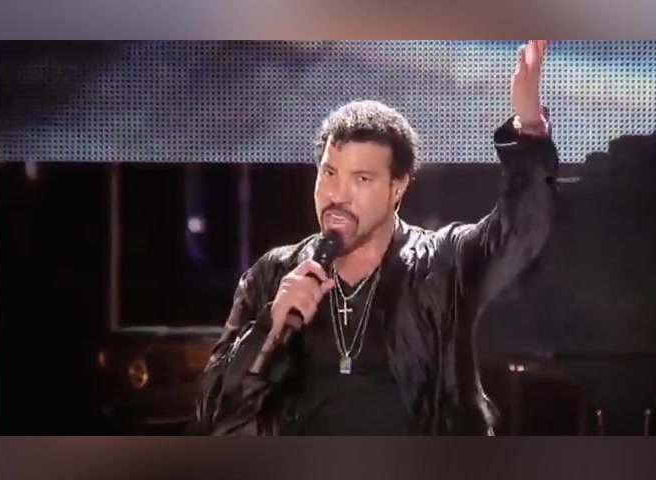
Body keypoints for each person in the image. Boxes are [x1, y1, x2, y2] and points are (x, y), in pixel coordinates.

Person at [192, 40, 559, 435]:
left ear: (397, 187)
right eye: (329, 173)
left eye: (362, 179)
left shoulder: (442, 262)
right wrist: (270, 326)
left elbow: (519, 231)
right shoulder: (275, 273)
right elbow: (212, 409)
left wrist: (529, 132)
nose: (337, 195)